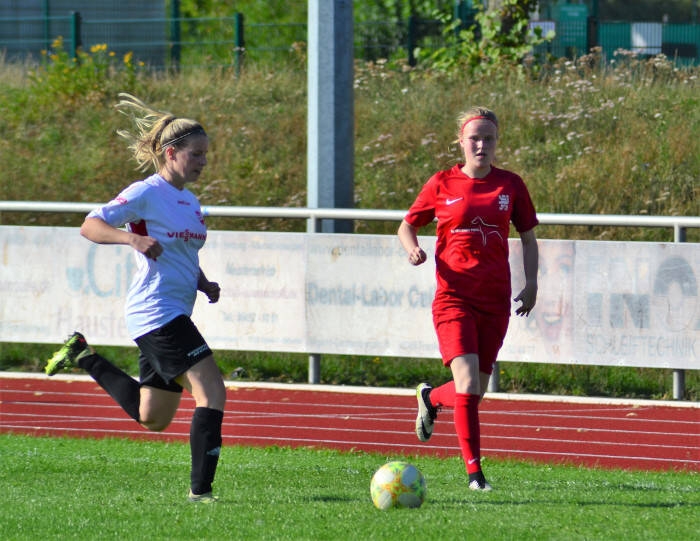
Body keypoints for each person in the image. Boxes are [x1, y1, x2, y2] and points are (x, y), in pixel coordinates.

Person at [45, 93, 226, 504]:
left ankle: (83, 354)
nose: (202, 162)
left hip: (173, 309)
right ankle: (201, 494)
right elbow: (90, 226)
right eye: (196, 154)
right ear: (171, 153)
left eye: (205, 155)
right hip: (156, 313)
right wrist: (131, 238)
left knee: (153, 417)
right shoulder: (146, 192)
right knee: (212, 391)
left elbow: (180, 252)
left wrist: (202, 281)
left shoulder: (192, 202)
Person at [398, 106, 539, 491]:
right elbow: (407, 225)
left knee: (474, 389)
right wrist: (412, 249)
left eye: (488, 138)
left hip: (495, 300)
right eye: (474, 138)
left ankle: (430, 397)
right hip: (454, 298)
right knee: (466, 383)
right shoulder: (441, 183)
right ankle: (475, 475)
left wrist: (532, 283)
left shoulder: (510, 185)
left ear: (497, 142)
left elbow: (527, 237)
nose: (481, 145)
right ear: (460, 141)